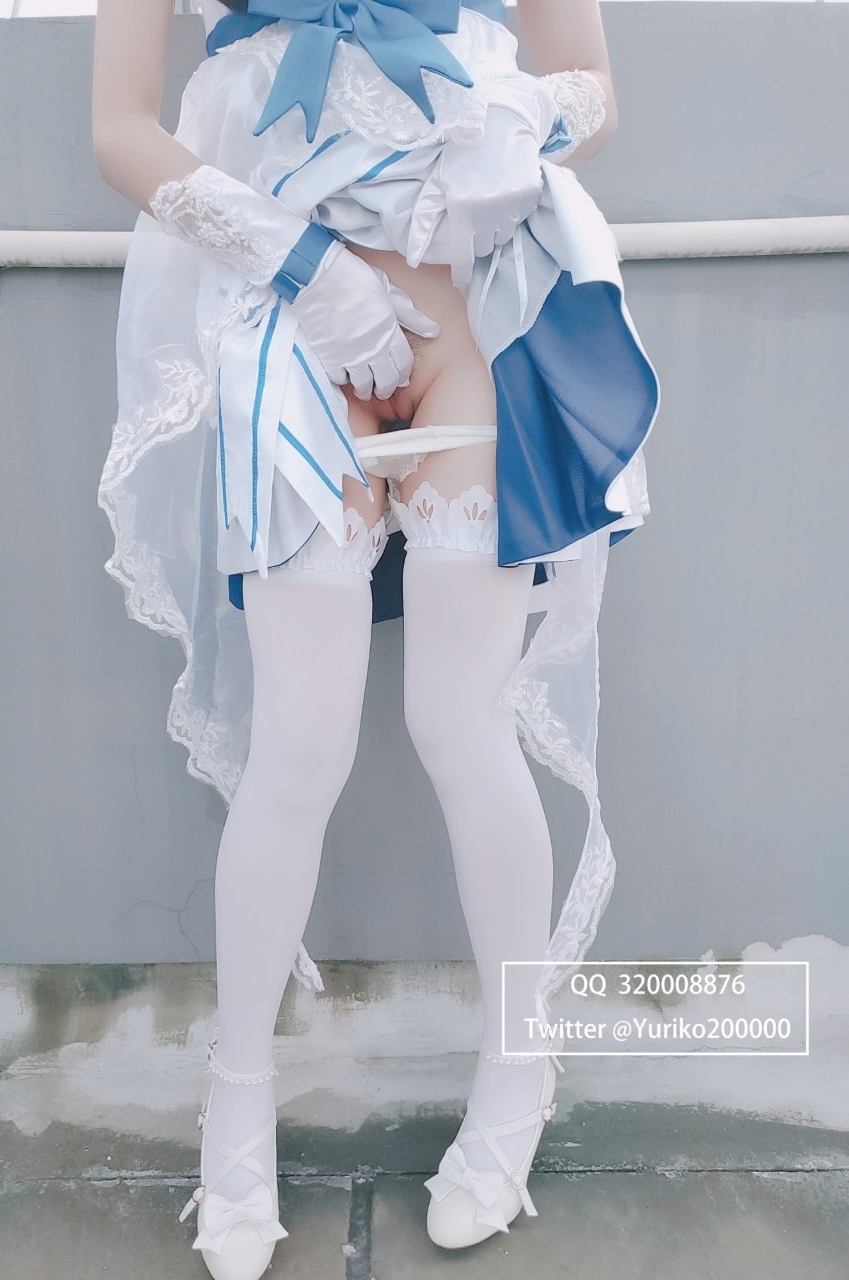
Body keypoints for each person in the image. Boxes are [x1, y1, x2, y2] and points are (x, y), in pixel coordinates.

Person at [92, 1, 659, 1277]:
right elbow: (119, 126)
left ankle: (517, 1065)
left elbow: (590, 85)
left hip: (477, 311)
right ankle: (236, 1095)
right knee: (298, 747)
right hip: (286, 326)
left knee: (462, 721)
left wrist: (518, 124)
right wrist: (304, 265)